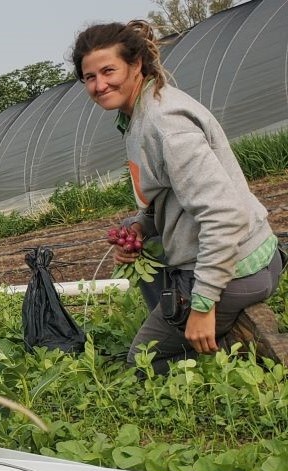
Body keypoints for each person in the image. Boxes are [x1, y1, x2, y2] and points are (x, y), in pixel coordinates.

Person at [71, 20, 282, 375]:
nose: (99, 84)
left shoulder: (163, 123)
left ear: (135, 64)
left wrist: (201, 306)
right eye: (89, 77)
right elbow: (169, 198)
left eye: (109, 71)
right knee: (161, 291)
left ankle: (236, 350)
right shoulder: (141, 113)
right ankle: (220, 325)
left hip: (236, 270)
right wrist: (140, 227)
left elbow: (224, 215)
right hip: (251, 259)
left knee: (146, 361)